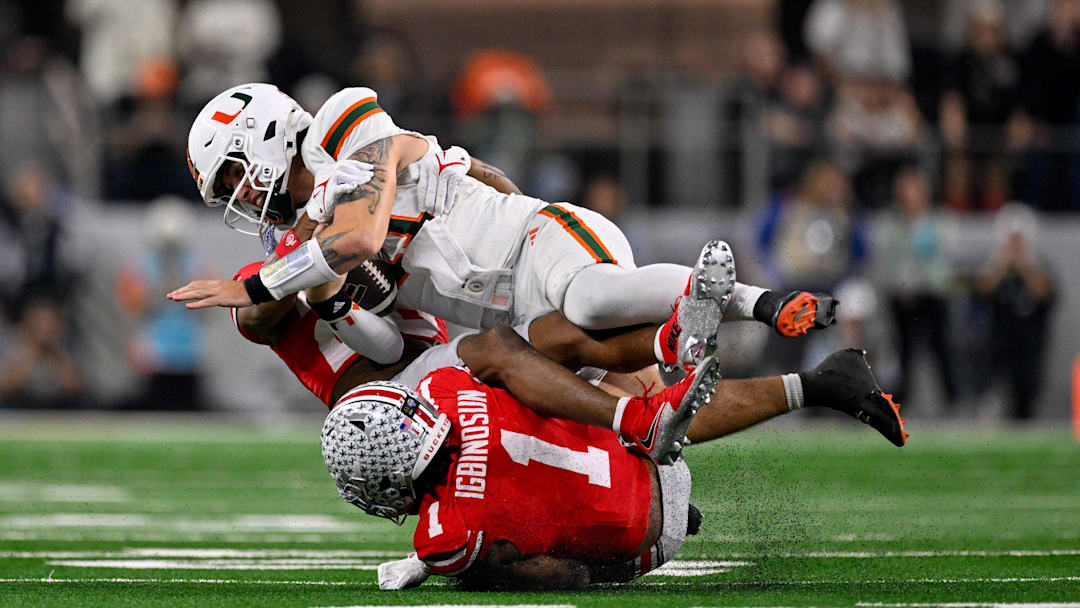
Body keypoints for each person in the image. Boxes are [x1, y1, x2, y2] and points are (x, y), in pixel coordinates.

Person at [169, 83, 836, 373]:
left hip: (535, 243)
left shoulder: (339, 127)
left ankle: (759, 302)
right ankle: (676, 364)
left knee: (593, 298)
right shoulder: (310, 249)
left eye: (231, 174)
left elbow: (362, 239)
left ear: (264, 132)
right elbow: (384, 350)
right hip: (507, 317)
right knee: (572, 389)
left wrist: (261, 286)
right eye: (223, 192)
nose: (238, 195)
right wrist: (331, 303)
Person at [320, 348, 906, 591]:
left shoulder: (445, 536)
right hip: (629, 437)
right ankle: (672, 350)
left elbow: (563, 576)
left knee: (544, 552)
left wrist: (439, 568)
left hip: (648, 536)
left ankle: (651, 428)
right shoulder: (441, 386)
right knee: (550, 362)